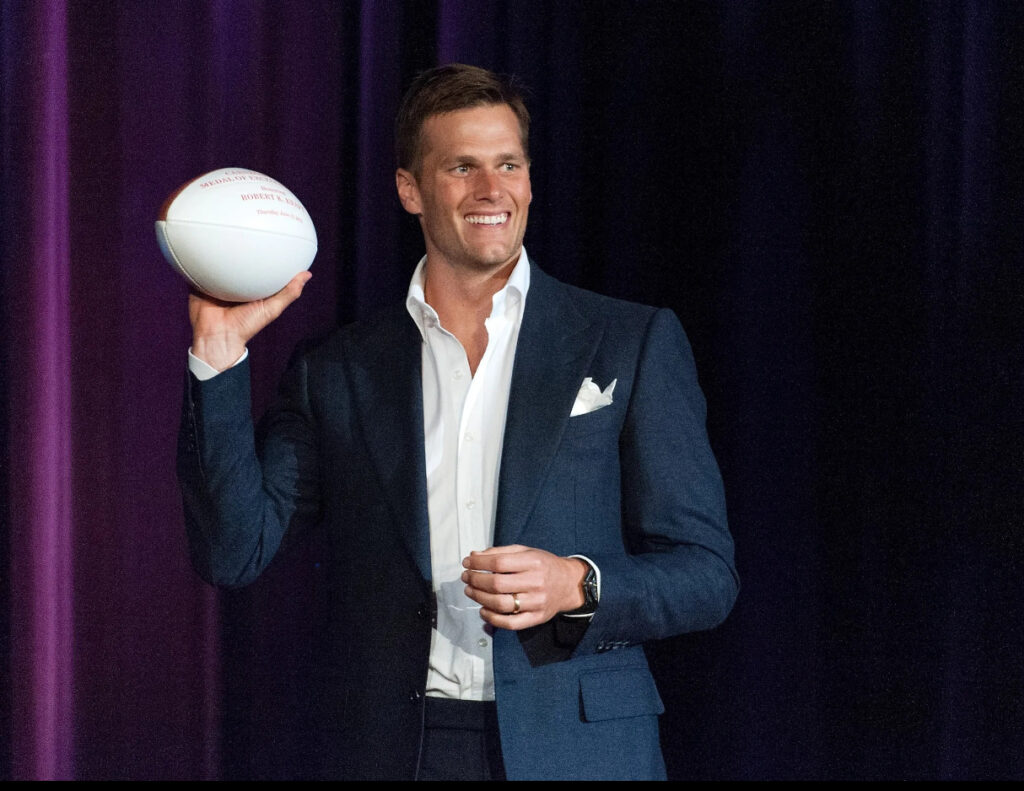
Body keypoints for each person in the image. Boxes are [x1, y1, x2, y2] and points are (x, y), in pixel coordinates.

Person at [178, 63, 738, 781]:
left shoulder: (629, 340)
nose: (491, 190)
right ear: (410, 189)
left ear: (530, 181)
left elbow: (707, 572)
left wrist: (579, 585)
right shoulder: (339, 368)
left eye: (508, 164)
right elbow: (233, 549)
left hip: (581, 749)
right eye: (461, 167)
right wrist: (219, 357)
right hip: (396, 750)